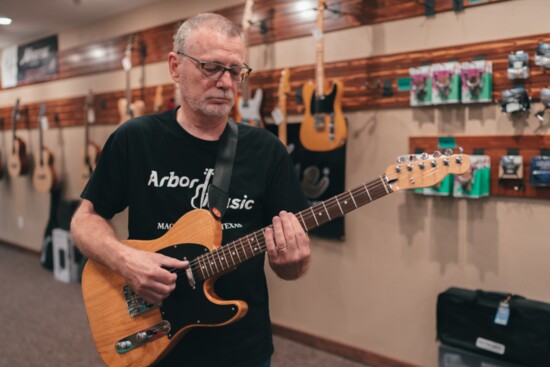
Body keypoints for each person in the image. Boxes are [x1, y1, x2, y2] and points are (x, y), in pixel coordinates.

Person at [70, 12, 311, 367]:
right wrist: (126, 260)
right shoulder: (135, 139)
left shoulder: (266, 150)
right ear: (175, 66)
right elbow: (84, 220)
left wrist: (294, 261)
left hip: (242, 347)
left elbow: (291, 268)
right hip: (154, 334)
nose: (226, 82)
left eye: (235, 70)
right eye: (212, 67)